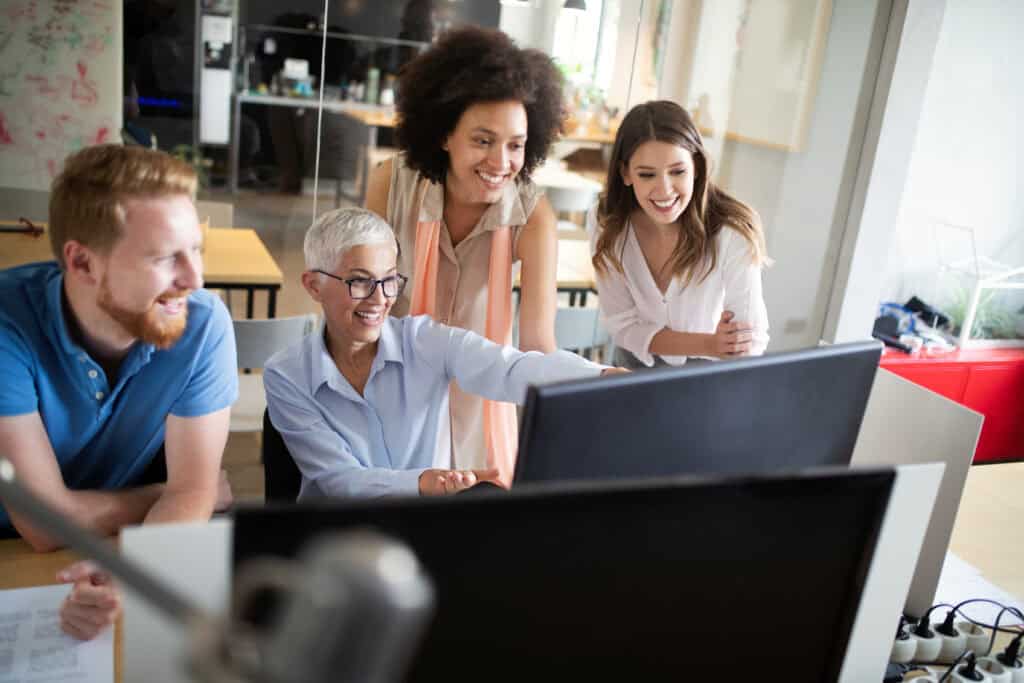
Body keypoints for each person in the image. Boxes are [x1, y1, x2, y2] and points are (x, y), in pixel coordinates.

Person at [0, 145, 238, 639]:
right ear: (83, 262)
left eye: (196, 248)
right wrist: (164, 494)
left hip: (125, 546)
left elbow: (189, 493)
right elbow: (43, 528)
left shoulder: (204, 324)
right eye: (165, 257)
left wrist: (125, 577)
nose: (195, 279)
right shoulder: (6, 326)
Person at [265, 209, 620, 499]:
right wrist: (422, 483)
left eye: (389, 280)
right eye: (360, 281)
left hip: (422, 526)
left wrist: (600, 378)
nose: (379, 299)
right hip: (336, 540)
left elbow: (511, 369)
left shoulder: (424, 341)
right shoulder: (287, 375)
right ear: (314, 285)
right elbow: (339, 480)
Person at [365, 26, 565, 485]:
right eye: (482, 140)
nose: (500, 162)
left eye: (515, 145)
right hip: (391, 406)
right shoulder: (390, 185)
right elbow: (359, 309)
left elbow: (538, 344)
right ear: (443, 135)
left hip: (480, 421)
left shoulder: (533, 218)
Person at [588, 100, 770, 369]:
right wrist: (710, 344)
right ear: (626, 173)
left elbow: (749, 342)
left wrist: (724, 347)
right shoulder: (607, 221)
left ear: (696, 166)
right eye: (647, 174)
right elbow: (622, 324)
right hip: (630, 368)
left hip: (708, 376)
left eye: (678, 171)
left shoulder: (731, 232)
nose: (664, 190)